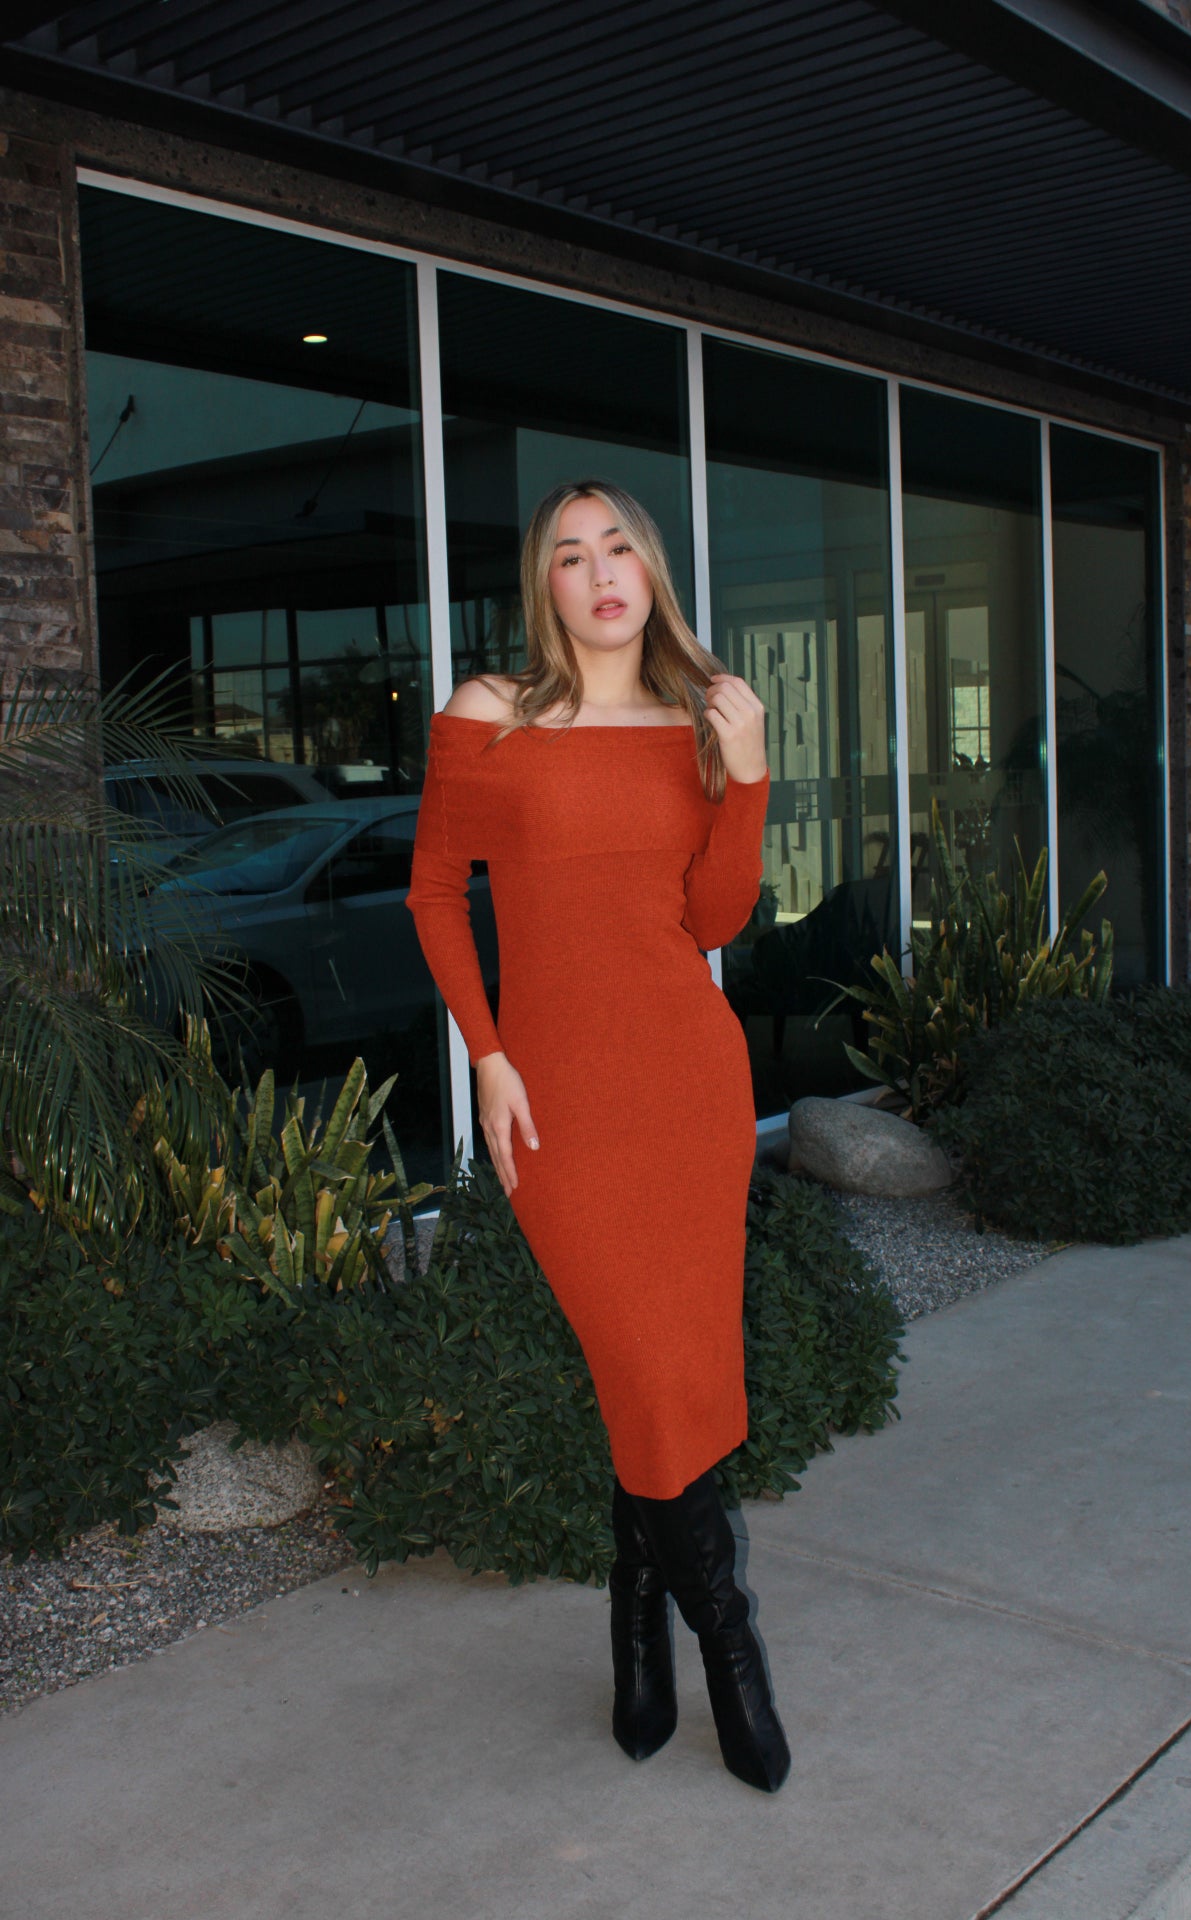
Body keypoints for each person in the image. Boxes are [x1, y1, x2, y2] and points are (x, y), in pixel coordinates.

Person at [405, 478, 790, 1793]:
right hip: (559, 1101)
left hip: (689, 1087)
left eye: (618, 545)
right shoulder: (490, 715)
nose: (600, 570)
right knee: (639, 1357)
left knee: (657, 1376)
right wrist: (488, 1055)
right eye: (570, 555)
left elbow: (714, 919)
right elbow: (434, 893)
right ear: (546, 588)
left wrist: (748, 776)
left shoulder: (699, 720)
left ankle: (640, 1621)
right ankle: (729, 1644)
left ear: (650, 569)